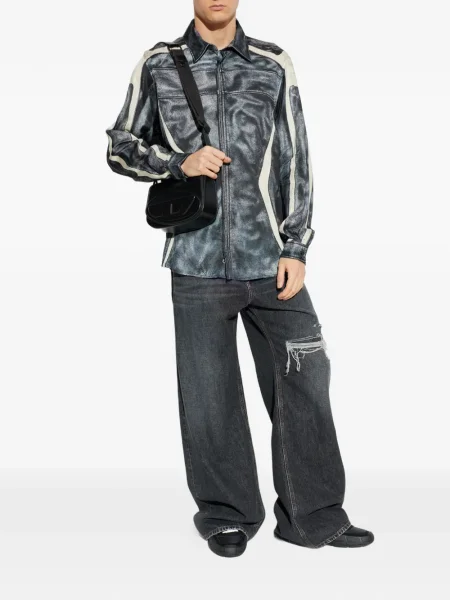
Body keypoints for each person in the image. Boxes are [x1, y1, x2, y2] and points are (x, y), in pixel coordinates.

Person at [105, 0, 374, 558]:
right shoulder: (159, 63)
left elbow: (295, 157)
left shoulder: (273, 63)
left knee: (306, 378)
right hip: (196, 260)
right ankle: (227, 515)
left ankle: (312, 516)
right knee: (209, 397)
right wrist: (177, 161)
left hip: (270, 258)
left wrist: (296, 244)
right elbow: (120, 145)